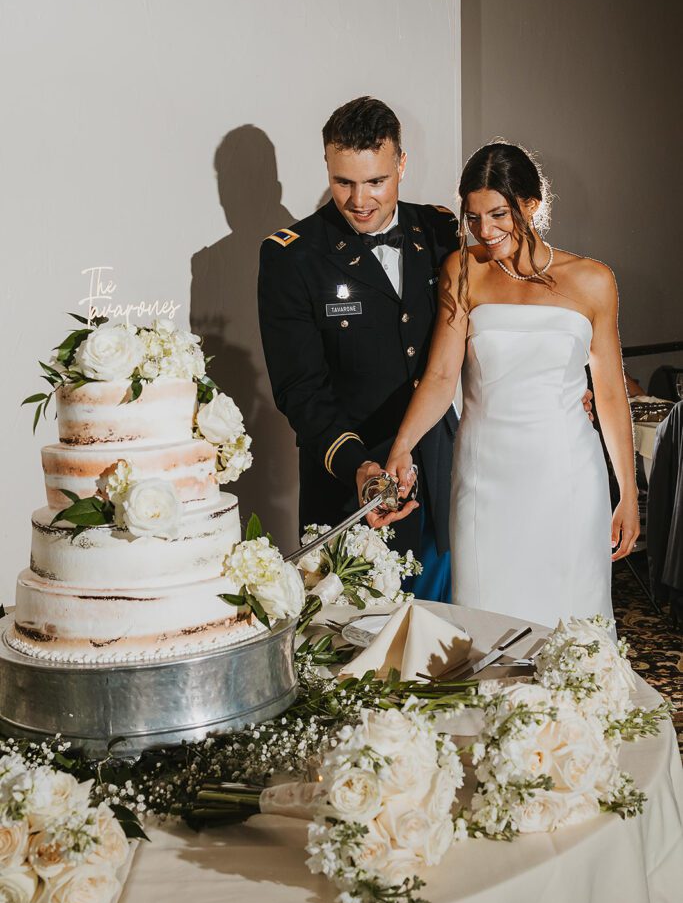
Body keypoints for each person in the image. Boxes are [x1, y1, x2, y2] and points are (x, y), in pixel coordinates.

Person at [383, 141, 638, 627]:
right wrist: (402, 446)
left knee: (571, 623)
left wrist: (626, 492)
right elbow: (440, 376)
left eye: (498, 214)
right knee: (485, 625)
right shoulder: (464, 270)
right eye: (473, 217)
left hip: (568, 479)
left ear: (531, 206)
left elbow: (608, 393)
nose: (484, 230)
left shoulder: (593, 281)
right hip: (484, 479)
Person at [257, 97, 459, 600]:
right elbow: (300, 389)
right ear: (327, 164)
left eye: (376, 182)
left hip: (443, 471)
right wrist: (359, 471)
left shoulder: (438, 230)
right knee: (364, 655)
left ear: (402, 165)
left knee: (452, 642)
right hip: (355, 481)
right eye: (343, 181)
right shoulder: (292, 257)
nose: (359, 199)